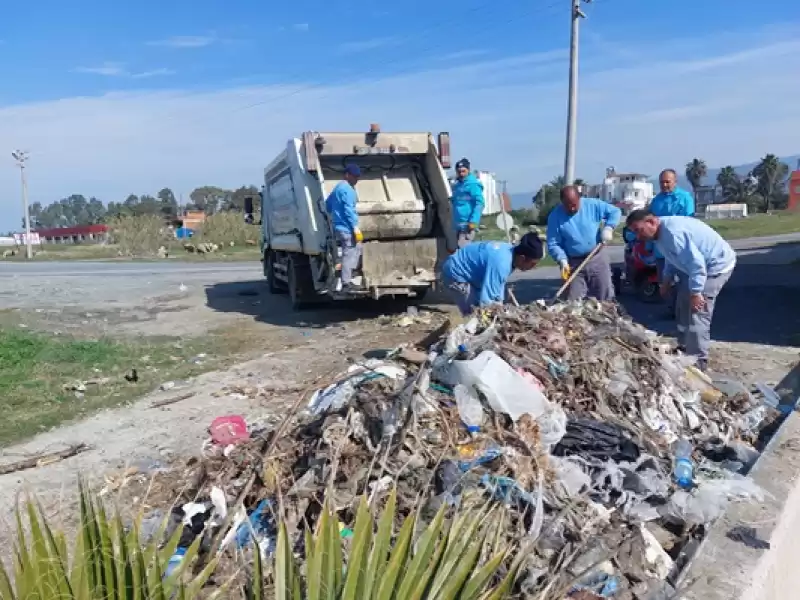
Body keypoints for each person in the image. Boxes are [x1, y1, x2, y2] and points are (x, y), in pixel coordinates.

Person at [625, 209, 736, 371]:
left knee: (696, 312)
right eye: (634, 232)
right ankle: (685, 346)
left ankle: (699, 360)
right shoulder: (658, 235)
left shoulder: (672, 233)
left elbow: (697, 265)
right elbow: (672, 258)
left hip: (715, 267)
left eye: (638, 230)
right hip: (693, 268)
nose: (637, 236)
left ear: (651, 222)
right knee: (682, 304)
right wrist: (666, 280)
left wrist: (697, 292)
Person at [546, 185, 621, 301]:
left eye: (574, 205)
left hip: (597, 256)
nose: (571, 209)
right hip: (573, 263)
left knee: (605, 293)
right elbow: (553, 243)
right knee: (574, 299)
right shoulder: (555, 217)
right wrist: (562, 260)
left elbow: (615, 212)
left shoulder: (592, 205)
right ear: (562, 202)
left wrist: (609, 227)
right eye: (567, 205)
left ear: (579, 198)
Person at [441, 233, 543, 316]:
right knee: (475, 314)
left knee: (488, 309)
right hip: (456, 274)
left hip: (470, 274)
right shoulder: (502, 263)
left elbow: (498, 285)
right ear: (522, 258)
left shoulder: (509, 254)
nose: (533, 267)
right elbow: (487, 301)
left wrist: (500, 304)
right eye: (532, 264)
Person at [649, 169, 696, 317]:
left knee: (684, 281)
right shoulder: (656, 201)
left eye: (667, 181)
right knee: (664, 282)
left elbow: (689, 222)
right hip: (661, 249)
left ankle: (685, 310)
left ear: (675, 182)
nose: (664, 185)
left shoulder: (685, 198)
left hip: (680, 249)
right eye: (662, 182)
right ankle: (670, 309)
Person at [325, 163, 363, 289]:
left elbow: (327, 205)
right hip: (347, 228)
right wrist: (355, 227)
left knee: (357, 248)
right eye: (354, 176)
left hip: (339, 227)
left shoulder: (337, 188)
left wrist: (335, 215)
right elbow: (348, 210)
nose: (356, 179)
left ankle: (351, 275)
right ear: (347, 175)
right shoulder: (348, 190)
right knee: (349, 252)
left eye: (358, 177)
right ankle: (347, 281)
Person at [450, 158, 485, 248]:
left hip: (468, 226)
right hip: (458, 226)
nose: (461, 174)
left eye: (463, 171)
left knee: (463, 252)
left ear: (468, 170)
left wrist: (473, 222)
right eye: (459, 171)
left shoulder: (473, 185)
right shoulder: (457, 186)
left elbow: (479, 204)